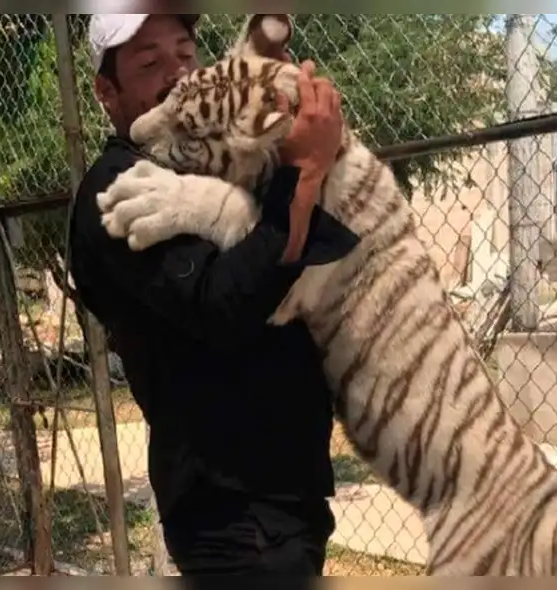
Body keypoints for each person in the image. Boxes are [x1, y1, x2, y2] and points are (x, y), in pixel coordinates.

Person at [69, 13, 359, 577]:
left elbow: (314, 248)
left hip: (277, 499)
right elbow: (220, 304)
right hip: (234, 510)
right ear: (107, 92)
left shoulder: (205, 161)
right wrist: (301, 179)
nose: (178, 73)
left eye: (185, 52)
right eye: (150, 63)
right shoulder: (120, 187)